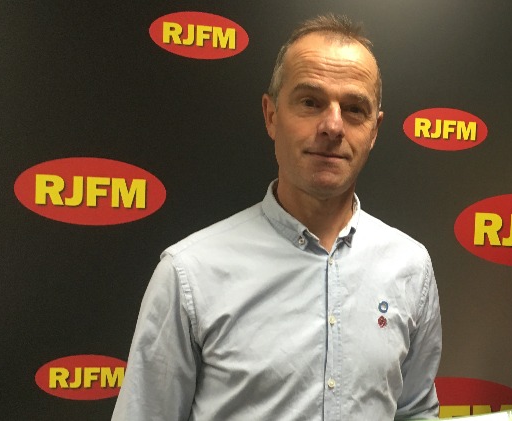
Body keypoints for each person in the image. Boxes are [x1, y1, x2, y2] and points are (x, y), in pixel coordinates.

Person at [112, 14, 442, 421]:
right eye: (310, 102)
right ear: (271, 115)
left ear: (374, 130)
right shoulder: (189, 275)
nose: (333, 126)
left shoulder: (411, 267)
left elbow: (414, 410)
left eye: (354, 109)